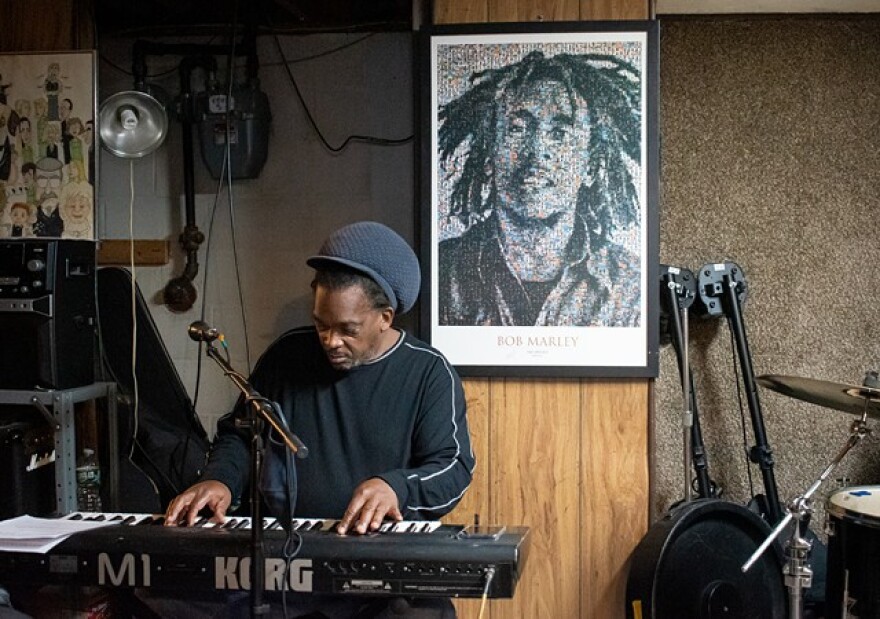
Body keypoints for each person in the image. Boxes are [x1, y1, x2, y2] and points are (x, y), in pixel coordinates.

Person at [164, 221, 474, 618]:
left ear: (385, 317)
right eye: (321, 325)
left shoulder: (428, 372)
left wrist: (396, 487)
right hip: (283, 563)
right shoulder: (287, 356)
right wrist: (220, 479)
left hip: (378, 567)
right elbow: (240, 436)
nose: (330, 341)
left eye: (347, 330)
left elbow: (453, 468)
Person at [437, 50, 643, 327]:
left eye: (559, 134)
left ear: (591, 166)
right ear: (488, 155)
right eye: (518, 129)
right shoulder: (443, 271)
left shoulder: (630, 286)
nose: (536, 152)